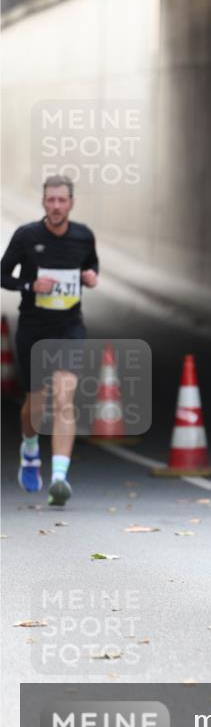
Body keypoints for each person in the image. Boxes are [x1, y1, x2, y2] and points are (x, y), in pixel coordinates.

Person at [1, 175, 99, 506]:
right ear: (44, 202)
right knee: (36, 405)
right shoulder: (27, 236)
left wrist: (91, 277)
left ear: (71, 202)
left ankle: (59, 478)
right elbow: (4, 274)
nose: (56, 206)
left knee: (64, 398)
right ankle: (29, 449)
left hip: (70, 327)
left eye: (62, 200)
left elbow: (91, 267)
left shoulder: (83, 236)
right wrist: (30, 286)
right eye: (50, 200)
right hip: (33, 327)